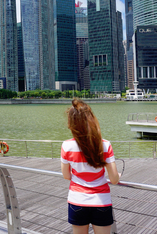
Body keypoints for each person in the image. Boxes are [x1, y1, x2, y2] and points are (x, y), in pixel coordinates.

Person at [61, 98, 120, 234]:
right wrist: (117, 176)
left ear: (71, 123)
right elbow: (114, 179)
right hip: (101, 202)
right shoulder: (105, 145)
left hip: (77, 201)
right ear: (91, 120)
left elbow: (66, 175)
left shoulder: (67, 146)